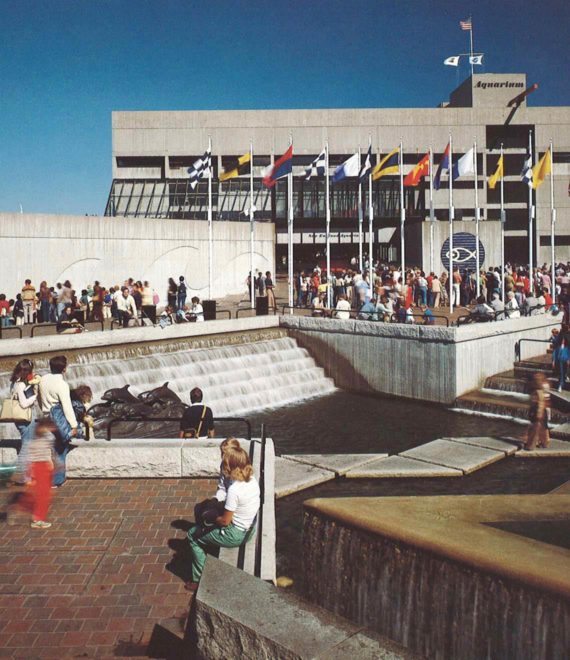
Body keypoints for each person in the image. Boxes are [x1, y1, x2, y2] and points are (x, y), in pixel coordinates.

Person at [185, 445, 260, 591]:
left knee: (192, 535)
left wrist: (212, 517)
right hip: (250, 529)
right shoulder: (251, 479)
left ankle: (198, 580)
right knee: (206, 512)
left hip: (236, 534)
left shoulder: (234, 489)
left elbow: (225, 522)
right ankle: (208, 545)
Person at [7, 418, 56, 529]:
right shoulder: (40, 439)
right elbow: (27, 458)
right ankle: (37, 520)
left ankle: (17, 509)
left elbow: (48, 452)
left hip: (42, 468)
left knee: (39, 495)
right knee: (42, 496)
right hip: (38, 469)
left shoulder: (43, 438)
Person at [38, 355, 79, 487]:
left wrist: (43, 409)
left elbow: (39, 397)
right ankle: (58, 479)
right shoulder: (62, 385)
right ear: (64, 369)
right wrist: (74, 425)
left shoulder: (43, 379)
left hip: (46, 416)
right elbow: (67, 407)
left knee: (59, 444)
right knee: (60, 448)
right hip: (57, 418)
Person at [192, 437, 242, 538]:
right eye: (222, 453)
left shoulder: (239, 470)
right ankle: (203, 531)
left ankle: (205, 535)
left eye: (225, 454)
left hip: (234, 506)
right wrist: (216, 499)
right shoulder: (223, 466)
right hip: (226, 499)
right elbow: (222, 487)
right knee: (199, 508)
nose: (222, 457)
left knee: (209, 513)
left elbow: (236, 496)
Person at [9, 359, 40, 486]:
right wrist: (35, 396)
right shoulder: (20, 385)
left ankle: (27, 475)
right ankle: (22, 477)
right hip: (25, 420)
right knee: (26, 447)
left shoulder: (15, 382)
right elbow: (24, 403)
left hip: (22, 419)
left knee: (27, 446)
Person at [525, 372, 551, 450]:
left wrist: (538, 413)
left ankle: (530, 446)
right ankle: (544, 443)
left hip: (539, 412)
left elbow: (540, 403)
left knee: (535, 429)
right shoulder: (542, 389)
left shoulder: (538, 392)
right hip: (544, 411)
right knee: (543, 428)